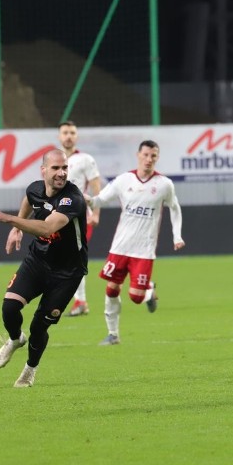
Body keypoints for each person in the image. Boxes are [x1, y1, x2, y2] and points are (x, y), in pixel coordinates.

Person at [0, 148, 88, 388]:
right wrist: (17, 228)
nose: (61, 173)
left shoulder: (72, 199)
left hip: (67, 273)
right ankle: (16, 339)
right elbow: (29, 199)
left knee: (39, 325)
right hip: (38, 261)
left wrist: (9, 219)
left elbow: (48, 229)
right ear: (44, 170)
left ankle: (30, 369)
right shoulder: (35, 188)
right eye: (56, 168)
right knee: (9, 308)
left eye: (65, 168)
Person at [86, 140, 185, 346]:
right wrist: (88, 200)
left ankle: (148, 289)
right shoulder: (124, 180)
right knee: (111, 289)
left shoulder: (164, 185)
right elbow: (100, 200)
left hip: (144, 250)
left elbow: (175, 208)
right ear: (138, 155)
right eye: (146, 155)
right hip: (120, 247)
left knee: (136, 298)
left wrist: (177, 236)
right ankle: (113, 335)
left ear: (157, 158)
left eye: (153, 156)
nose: (149, 159)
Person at [58, 120, 101, 317]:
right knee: (65, 259)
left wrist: (97, 212)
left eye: (72, 132)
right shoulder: (52, 159)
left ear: (76, 136)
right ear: (59, 135)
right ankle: (78, 300)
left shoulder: (85, 159)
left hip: (80, 214)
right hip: (59, 216)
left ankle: (80, 301)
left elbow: (95, 186)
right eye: (65, 132)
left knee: (73, 258)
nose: (69, 136)